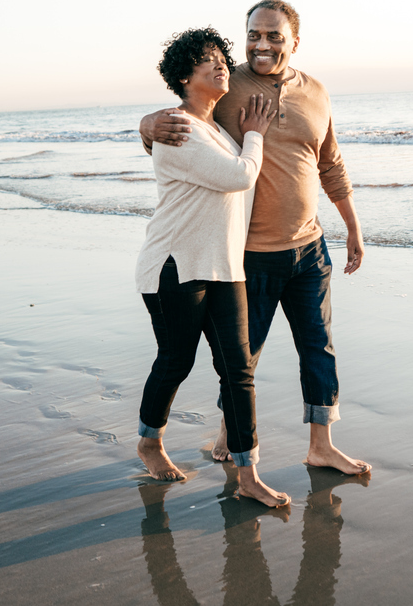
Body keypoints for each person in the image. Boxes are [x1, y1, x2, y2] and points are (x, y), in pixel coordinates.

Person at [140, 0, 370, 475]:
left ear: (294, 42)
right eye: (254, 34)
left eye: (274, 36)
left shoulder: (317, 92)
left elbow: (330, 162)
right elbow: (185, 117)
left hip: (309, 247)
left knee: (318, 347)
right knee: (242, 359)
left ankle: (321, 445)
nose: (261, 44)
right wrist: (145, 126)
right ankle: (230, 432)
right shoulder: (227, 84)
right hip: (250, 253)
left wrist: (352, 226)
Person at [133, 27, 288, 507]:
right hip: (175, 265)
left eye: (222, 56)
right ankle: (149, 442)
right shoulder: (177, 129)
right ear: (183, 75)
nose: (220, 63)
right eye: (207, 59)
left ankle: (248, 473)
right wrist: (257, 135)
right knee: (176, 361)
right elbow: (238, 176)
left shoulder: (217, 129)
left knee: (238, 371)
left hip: (225, 267)